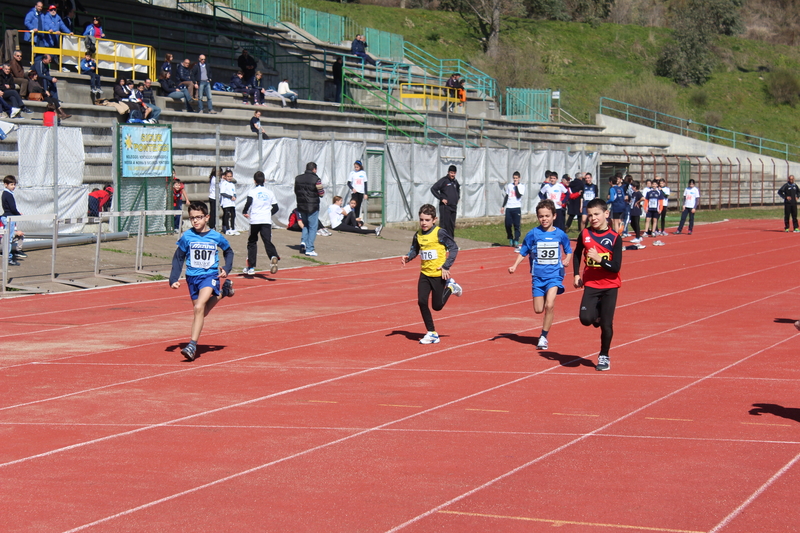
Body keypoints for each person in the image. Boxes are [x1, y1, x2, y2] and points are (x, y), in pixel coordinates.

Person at [168, 200, 234, 362]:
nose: (195, 221)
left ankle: (192, 345)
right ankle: (224, 291)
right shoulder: (187, 237)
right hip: (192, 278)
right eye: (192, 218)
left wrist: (227, 267)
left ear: (207, 218)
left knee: (198, 307)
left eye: (199, 217)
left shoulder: (216, 237)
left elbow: (229, 251)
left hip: (209, 276)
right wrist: (173, 278)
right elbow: (178, 257)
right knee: (200, 312)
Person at [508, 199, 572, 350]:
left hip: (555, 275)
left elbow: (569, 250)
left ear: (554, 216)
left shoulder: (560, 234)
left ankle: (543, 336)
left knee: (550, 305)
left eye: (547, 216)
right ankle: (544, 303)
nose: (544, 219)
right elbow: (524, 251)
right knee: (538, 309)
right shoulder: (533, 234)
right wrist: (514, 265)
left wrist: (567, 259)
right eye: (541, 216)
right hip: (538, 276)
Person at [573, 197, 623, 372]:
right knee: (585, 319)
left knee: (607, 325)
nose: (593, 218)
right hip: (591, 284)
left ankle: (604, 355)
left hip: (610, 285)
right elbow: (577, 253)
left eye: (597, 214)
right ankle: (598, 315)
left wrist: (598, 259)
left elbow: (616, 267)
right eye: (590, 215)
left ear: (606, 214)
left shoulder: (615, 238)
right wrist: (576, 274)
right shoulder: (585, 234)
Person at [401, 203, 462, 345]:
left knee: (437, 306)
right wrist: (408, 257)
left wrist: (446, 266)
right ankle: (432, 333)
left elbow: (453, 248)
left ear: (434, 220)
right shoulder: (418, 235)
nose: (423, 223)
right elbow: (415, 249)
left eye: (427, 220)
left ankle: (451, 287)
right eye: (421, 220)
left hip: (438, 274)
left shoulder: (440, 233)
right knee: (421, 302)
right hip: (424, 274)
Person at [243, 171, 280, 275]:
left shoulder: (252, 192)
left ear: (254, 181)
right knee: (267, 240)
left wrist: (245, 211)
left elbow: (249, 203)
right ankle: (273, 256)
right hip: (266, 220)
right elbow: (276, 207)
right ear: (264, 180)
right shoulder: (270, 192)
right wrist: (268, 213)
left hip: (255, 219)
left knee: (252, 242)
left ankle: (251, 267)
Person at [294, 161, 324, 257]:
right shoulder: (316, 179)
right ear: (314, 169)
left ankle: (303, 241)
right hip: (313, 206)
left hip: (301, 205)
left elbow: (296, 191)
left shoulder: (298, 178)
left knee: (305, 224)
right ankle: (310, 248)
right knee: (312, 227)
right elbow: (321, 193)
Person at [430, 165, 460, 238]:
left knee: (451, 225)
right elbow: (433, 189)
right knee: (444, 225)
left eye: (454, 173)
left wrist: (458, 198)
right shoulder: (444, 180)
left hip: (453, 206)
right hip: (445, 207)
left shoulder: (455, 182)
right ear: (448, 172)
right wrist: (441, 198)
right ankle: (442, 241)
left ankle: (451, 242)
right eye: (451, 173)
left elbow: (458, 189)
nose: (452, 174)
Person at [2, 175, 23, 266]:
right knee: (9, 239)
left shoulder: (7, 194)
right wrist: (18, 214)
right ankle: (8, 258)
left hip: (8, 216)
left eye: (14, 184)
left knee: (8, 238)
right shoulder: (8, 194)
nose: (13, 186)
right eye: (11, 184)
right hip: (9, 217)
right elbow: (12, 208)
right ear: (6, 184)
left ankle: (8, 257)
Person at [501, 171, 524, 248]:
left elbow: (518, 196)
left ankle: (516, 239)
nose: (515, 180)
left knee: (517, 225)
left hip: (516, 207)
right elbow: (507, 196)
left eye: (516, 178)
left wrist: (516, 186)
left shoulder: (521, 186)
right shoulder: (509, 186)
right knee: (507, 224)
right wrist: (503, 206)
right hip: (509, 207)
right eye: (514, 178)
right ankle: (510, 237)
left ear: (519, 178)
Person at [220, 169, 239, 236]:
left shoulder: (232, 184)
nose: (229, 178)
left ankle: (233, 228)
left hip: (232, 203)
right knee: (227, 215)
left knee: (233, 215)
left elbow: (234, 192)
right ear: (225, 176)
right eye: (228, 176)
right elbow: (222, 193)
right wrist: (230, 197)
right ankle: (227, 229)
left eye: (230, 176)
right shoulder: (224, 184)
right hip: (226, 203)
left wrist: (234, 196)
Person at [629, 181, 645, 245]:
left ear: (635, 187)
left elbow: (643, 198)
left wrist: (638, 202)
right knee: (632, 223)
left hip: (636, 210)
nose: (631, 188)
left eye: (632, 186)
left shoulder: (638, 193)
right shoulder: (633, 194)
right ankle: (638, 235)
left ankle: (638, 237)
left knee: (636, 223)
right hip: (632, 209)